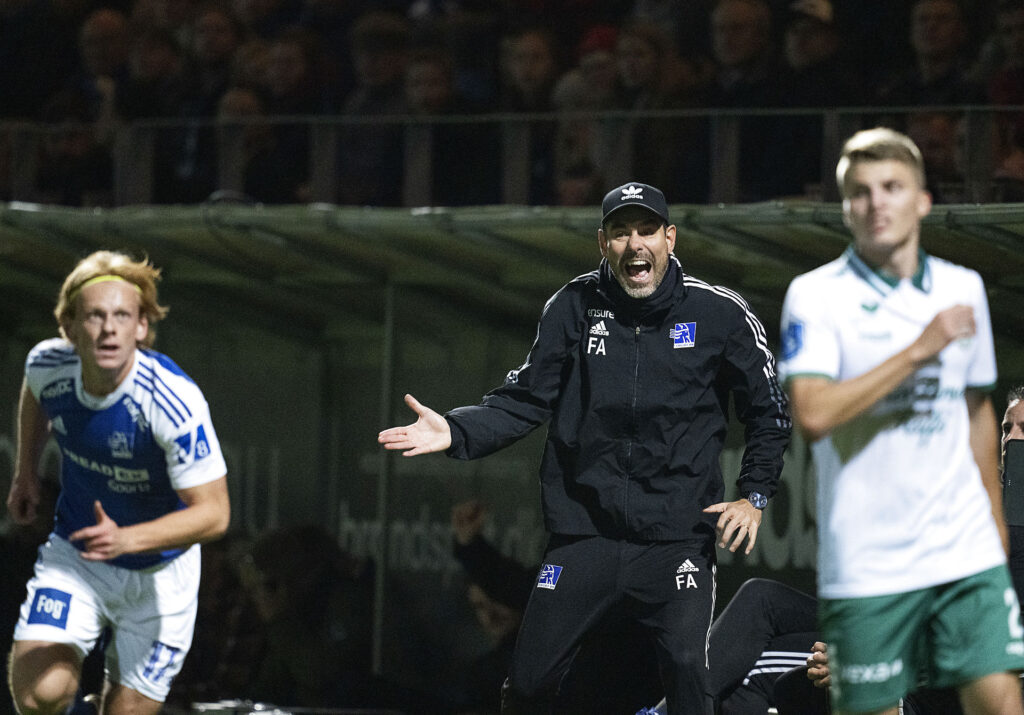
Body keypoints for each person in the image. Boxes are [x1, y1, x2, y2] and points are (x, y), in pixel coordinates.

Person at [379, 180, 792, 714]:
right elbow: (527, 398)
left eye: (647, 231)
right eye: (620, 233)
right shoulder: (571, 306)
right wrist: (457, 431)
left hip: (675, 539)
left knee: (690, 673)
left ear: (671, 238)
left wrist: (753, 495)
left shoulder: (720, 314)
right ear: (603, 243)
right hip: (584, 537)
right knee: (527, 685)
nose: (634, 245)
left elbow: (770, 411)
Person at [779, 127, 1024, 715]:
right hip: (868, 552)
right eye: (860, 192)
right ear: (845, 208)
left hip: (960, 543)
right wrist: (917, 351)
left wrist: (995, 530)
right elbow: (814, 413)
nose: (876, 202)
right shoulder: (815, 297)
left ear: (922, 201)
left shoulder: (963, 288)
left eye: (892, 187)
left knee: (998, 697)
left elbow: (976, 414)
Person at [5, 250, 231, 715]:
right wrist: (25, 471)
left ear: (142, 327)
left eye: (122, 316)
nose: (109, 329)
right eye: (95, 316)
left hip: (160, 577)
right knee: (38, 694)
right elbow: (35, 390)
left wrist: (126, 539)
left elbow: (215, 513)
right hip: (78, 556)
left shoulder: (173, 402)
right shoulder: (49, 365)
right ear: (69, 326)